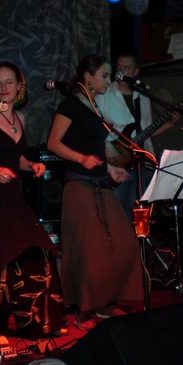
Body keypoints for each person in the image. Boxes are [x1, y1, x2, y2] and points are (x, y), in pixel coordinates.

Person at [0, 61, 66, 340]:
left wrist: (30, 165)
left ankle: (39, 322)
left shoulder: (20, 118)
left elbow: (13, 157)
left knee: (40, 250)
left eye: (8, 82)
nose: (3, 87)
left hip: (13, 196)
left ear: (19, 85)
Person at [47, 54, 144, 331]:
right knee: (88, 251)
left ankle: (103, 302)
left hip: (100, 184)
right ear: (87, 76)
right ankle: (83, 309)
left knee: (123, 243)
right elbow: (53, 143)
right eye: (104, 75)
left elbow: (95, 146)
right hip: (79, 185)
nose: (109, 80)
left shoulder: (94, 107)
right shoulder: (70, 105)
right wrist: (81, 159)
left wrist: (110, 169)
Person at [95, 52, 179, 221]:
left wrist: (170, 124)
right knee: (116, 214)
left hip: (141, 164)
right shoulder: (104, 95)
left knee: (139, 215)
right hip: (118, 162)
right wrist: (108, 148)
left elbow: (146, 132)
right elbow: (95, 128)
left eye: (126, 68)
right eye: (118, 67)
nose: (121, 71)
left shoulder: (142, 96)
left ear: (136, 72)